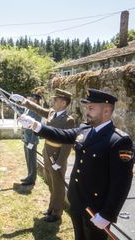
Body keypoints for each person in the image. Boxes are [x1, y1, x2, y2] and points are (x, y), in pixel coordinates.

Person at [19, 88, 134, 240]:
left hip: (96, 209)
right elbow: (62, 134)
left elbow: (121, 183)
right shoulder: (85, 129)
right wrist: (36, 126)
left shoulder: (119, 141)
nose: (87, 111)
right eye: (87, 107)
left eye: (91, 108)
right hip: (77, 200)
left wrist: (108, 214)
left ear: (106, 110)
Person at [11, 88, 75, 222]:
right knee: (50, 183)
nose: (53, 101)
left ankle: (57, 213)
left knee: (58, 185)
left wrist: (60, 161)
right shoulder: (52, 113)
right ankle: (52, 207)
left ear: (63, 103)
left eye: (56, 99)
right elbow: (38, 109)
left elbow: (68, 144)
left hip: (57, 155)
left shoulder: (68, 120)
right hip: (47, 150)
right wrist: (24, 101)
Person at [20, 94, 42, 186]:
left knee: (32, 160)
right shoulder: (28, 108)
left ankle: (32, 179)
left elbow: (36, 128)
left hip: (31, 140)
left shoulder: (38, 111)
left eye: (31, 99)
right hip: (26, 138)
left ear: (36, 101)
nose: (29, 100)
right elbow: (20, 108)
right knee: (28, 159)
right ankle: (29, 176)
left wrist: (32, 142)